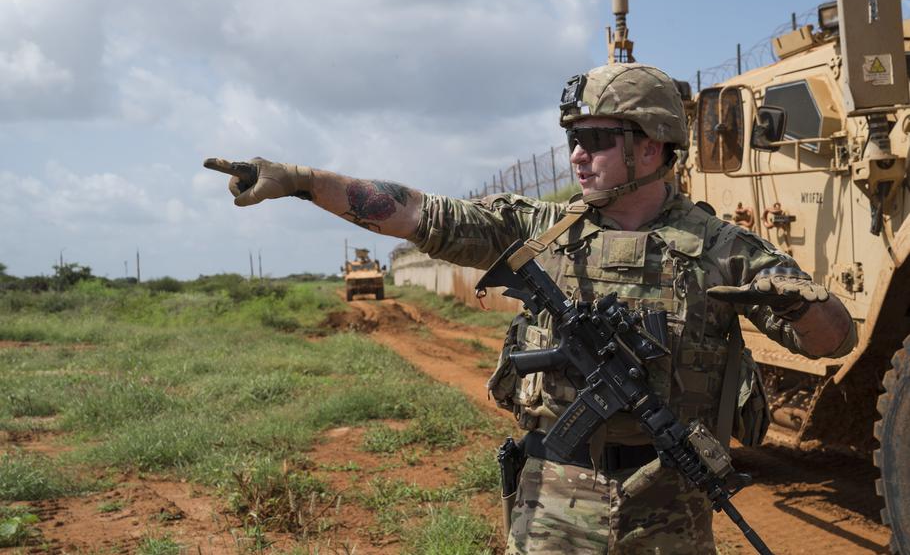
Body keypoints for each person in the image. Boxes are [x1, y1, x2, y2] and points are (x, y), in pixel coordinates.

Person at [205, 62, 857, 554]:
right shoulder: (536, 229)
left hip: (671, 505)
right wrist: (298, 180)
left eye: (598, 138)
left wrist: (795, 296)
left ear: (653, 146)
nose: (578, 153)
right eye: (574, 137)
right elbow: (415, 212)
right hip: (558, 495)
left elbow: (833, 341)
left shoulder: (724, 250)